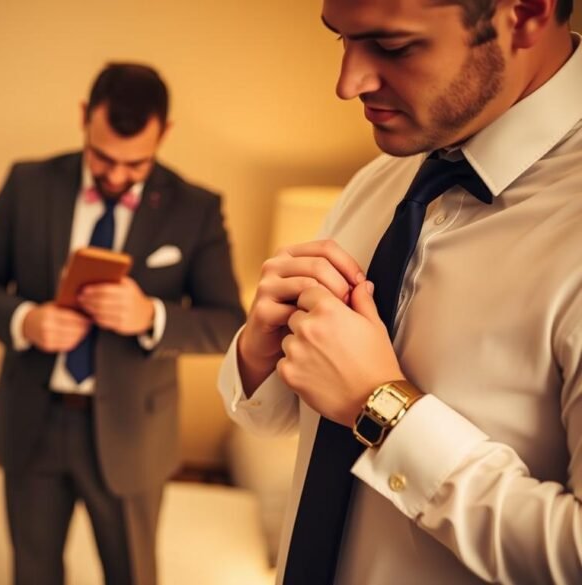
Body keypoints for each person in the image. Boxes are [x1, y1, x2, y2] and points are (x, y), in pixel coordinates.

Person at [217, 0, 580, 583]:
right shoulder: (379, 180)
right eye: (342, 39)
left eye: (392, 46)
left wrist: (382, 408)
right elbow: (277, 423)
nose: (347, 83)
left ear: (528, 13)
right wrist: (262, 350)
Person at [0, 62, 244, 585]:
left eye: (135, 164)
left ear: (165, 133)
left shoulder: (197, 209)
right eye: (102, 157)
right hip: (31, 420)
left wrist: (151, 317)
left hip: (134, 433)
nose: (114, 176)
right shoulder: (28, 183)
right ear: (85, 117)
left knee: (131, 574)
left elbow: (228, 323)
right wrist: (25, 320)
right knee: (33, 571)